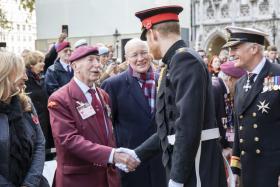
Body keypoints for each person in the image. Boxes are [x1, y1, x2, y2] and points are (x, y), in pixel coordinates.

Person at [117, 5, 227, 187]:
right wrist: (138, 153)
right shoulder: (175, 61)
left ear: (152, 34)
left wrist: (177, 178)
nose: (149, 47)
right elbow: (170, 128)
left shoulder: (184, 60)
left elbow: (187, 126)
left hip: (197, 166)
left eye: (147, 40)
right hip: (189, 164)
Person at [47, 46, 139, 187]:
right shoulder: (60, 99)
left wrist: (116, 156)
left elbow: (108, 133)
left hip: (108, 178)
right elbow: (69, 140)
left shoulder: (103, 95)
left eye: (98, 59)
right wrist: (112, 155)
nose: (98, 64)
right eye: (90, 60)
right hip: (79, 180)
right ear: (75, 66)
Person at [101, 38, 166, 187]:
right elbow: (106, 128)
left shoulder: (163, 81)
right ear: (126, 59)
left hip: (161, 163)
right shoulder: (113, 85)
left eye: (144, 53)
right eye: (134, 55)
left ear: (150, 54)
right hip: (130, 164)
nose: (140, 59)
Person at [223, 26, 280, 187]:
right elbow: (240, 131)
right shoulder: (241, 83)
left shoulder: (278, 75)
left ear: (254, 48)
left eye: (235, 48)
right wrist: (235, 170)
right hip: (248, 173)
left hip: (273, 174)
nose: (231, 54)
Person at [0, 52, 48, 187]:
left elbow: (39, 142)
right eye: (21, 72)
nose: (26, 77)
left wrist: (29, 183)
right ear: (5, 74)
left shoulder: (25, 103)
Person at [24, 50, 55, 160]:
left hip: (45, 118)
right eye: (40, 61)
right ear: (31, 65)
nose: (43, 63)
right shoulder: (26, 79)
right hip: (34, 120)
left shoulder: (40, 77)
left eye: (43, 60)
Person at [212, 61, 246, 159]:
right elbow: (209, 123)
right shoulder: (214, 89)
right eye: (241, 81)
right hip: (217, 151)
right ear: (230, 79)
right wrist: (220, 148)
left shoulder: (226, 89)